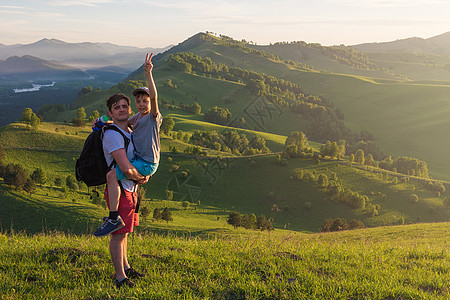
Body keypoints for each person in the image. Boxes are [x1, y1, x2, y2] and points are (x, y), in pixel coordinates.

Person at [94, 53, 162, 238]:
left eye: (145, 101)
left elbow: (155, 98)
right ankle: (119, 215)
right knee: (115, 175)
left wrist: (148, 74)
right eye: (139, 101)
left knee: (111, 175)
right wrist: (101, 122)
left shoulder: (153, 118)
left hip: (148, 162)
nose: (142, 104)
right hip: (142, 160)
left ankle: (113, 216)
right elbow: (120, 121)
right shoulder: (138, 117)